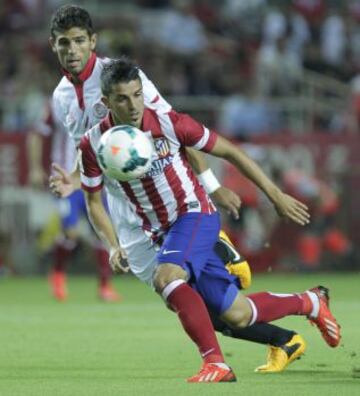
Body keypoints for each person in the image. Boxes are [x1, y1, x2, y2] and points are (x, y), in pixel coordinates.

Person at [47, 4, 319, 375]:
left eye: (79, 41)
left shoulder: (124, 79)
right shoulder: (61, 97)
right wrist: (77, 179)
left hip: (170, 202)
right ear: (53, 46)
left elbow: (172, 129)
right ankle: (286, 334)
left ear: (92, 41)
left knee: (172, 280)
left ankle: (216, 349)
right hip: (127, 211)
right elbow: (100, 154)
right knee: (199, 305)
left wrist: (211, 185)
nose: (72, 50)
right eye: (64, 43)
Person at [28, 101, 120, 302]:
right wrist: (35, 168)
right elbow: (35, 134)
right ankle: (58, 275)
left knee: (102, 232)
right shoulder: (56, 104)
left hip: (94, 179)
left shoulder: (101, 105)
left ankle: (105, 286)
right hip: (65, 180)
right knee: (70, 232)